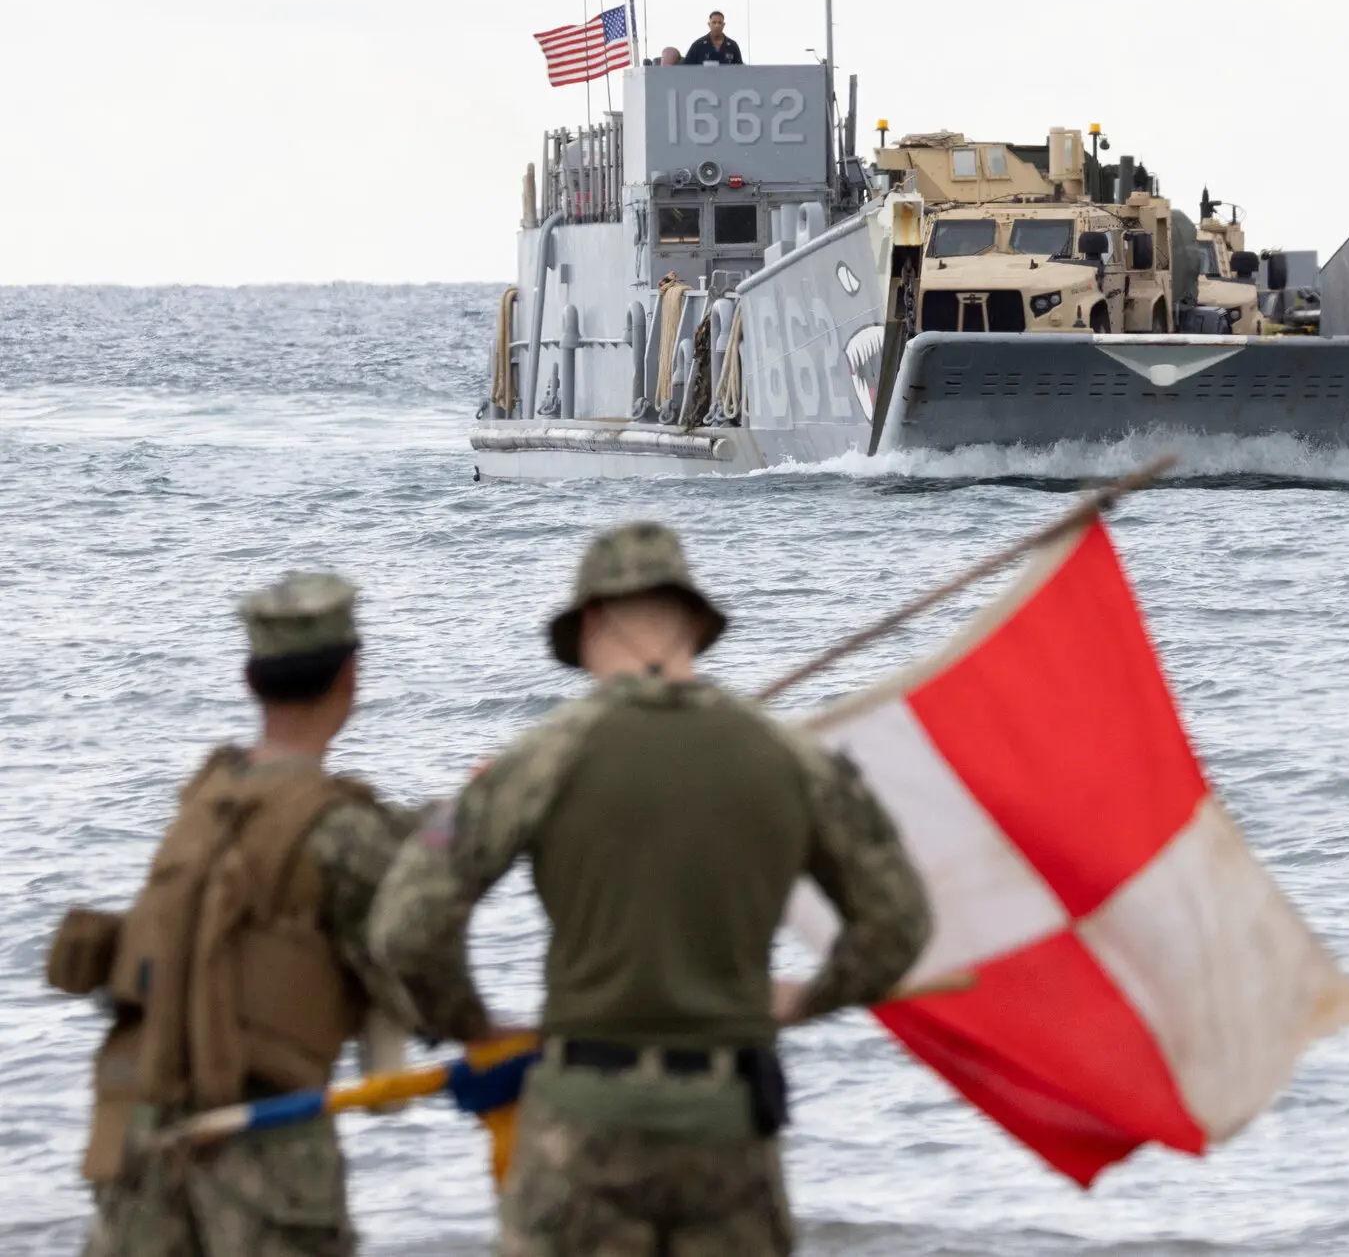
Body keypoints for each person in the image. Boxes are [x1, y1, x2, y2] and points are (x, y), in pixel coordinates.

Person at [368, 521, 931, 1257]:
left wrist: (470, 1020)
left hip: (583, 1121)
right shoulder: (784, 756)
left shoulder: (545, 757)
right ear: (696, 623)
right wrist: (812, 994)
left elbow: (408, 923)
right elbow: (900, 920)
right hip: (727, 1126)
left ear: (590, 622)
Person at [56, 573, 421, 1257]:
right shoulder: (344, 829)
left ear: (251, 682)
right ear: (351, 677)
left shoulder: (200, 803)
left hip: (137, 1131)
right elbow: (414, 967)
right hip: (263, 1144)